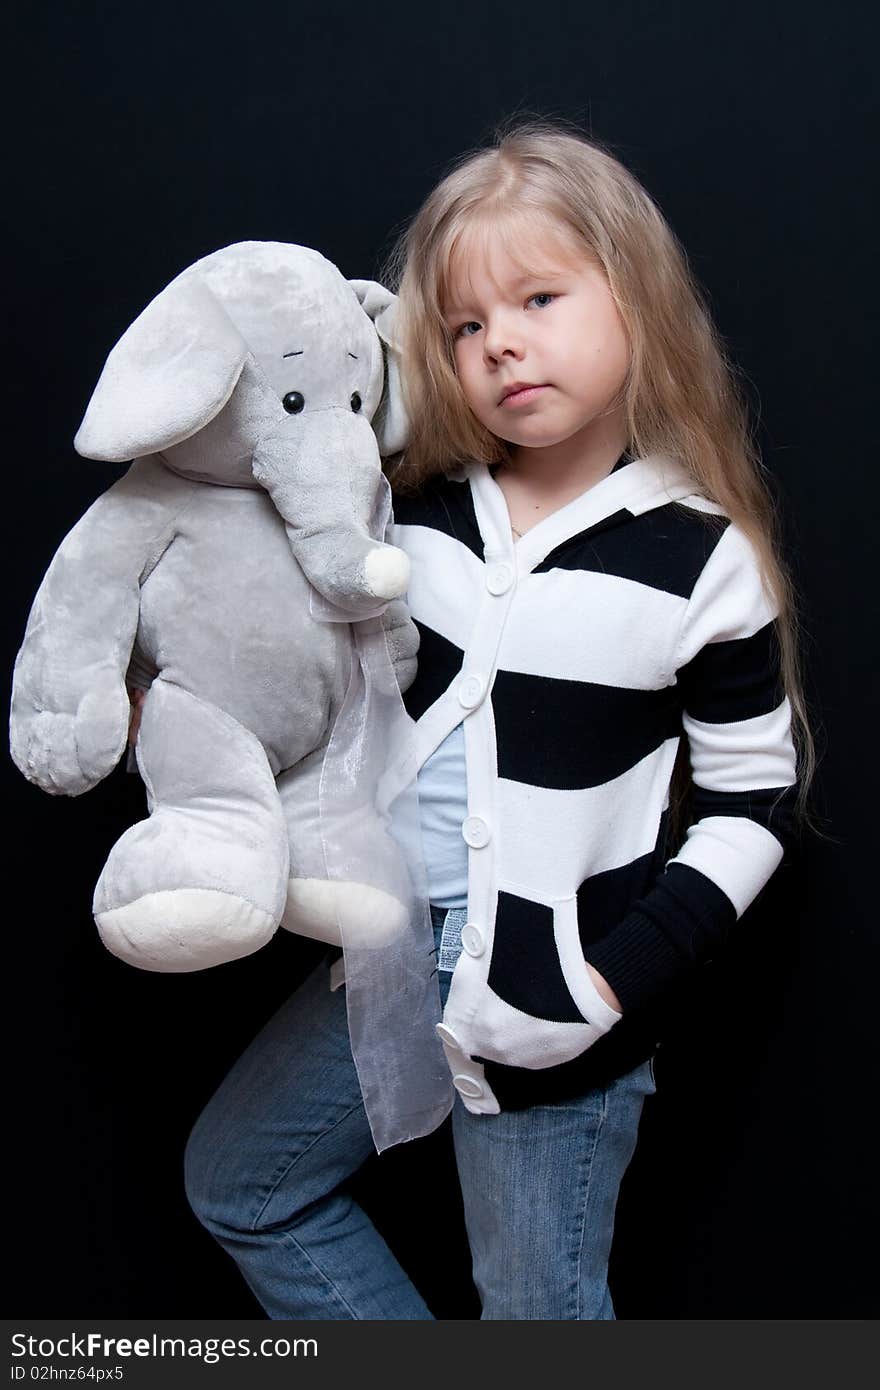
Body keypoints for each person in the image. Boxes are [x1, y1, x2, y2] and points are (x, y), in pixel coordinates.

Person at [182, 121, 813, 1319]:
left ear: (635, 299)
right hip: (381, 958)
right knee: (242, 1183)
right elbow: (306, 670)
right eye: (466, 326)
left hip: (555, 993)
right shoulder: (406, 507)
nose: (501, 344)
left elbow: (753, 799)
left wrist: (610, 983)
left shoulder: (698, 559)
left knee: (537, 1313)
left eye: (536, 298)